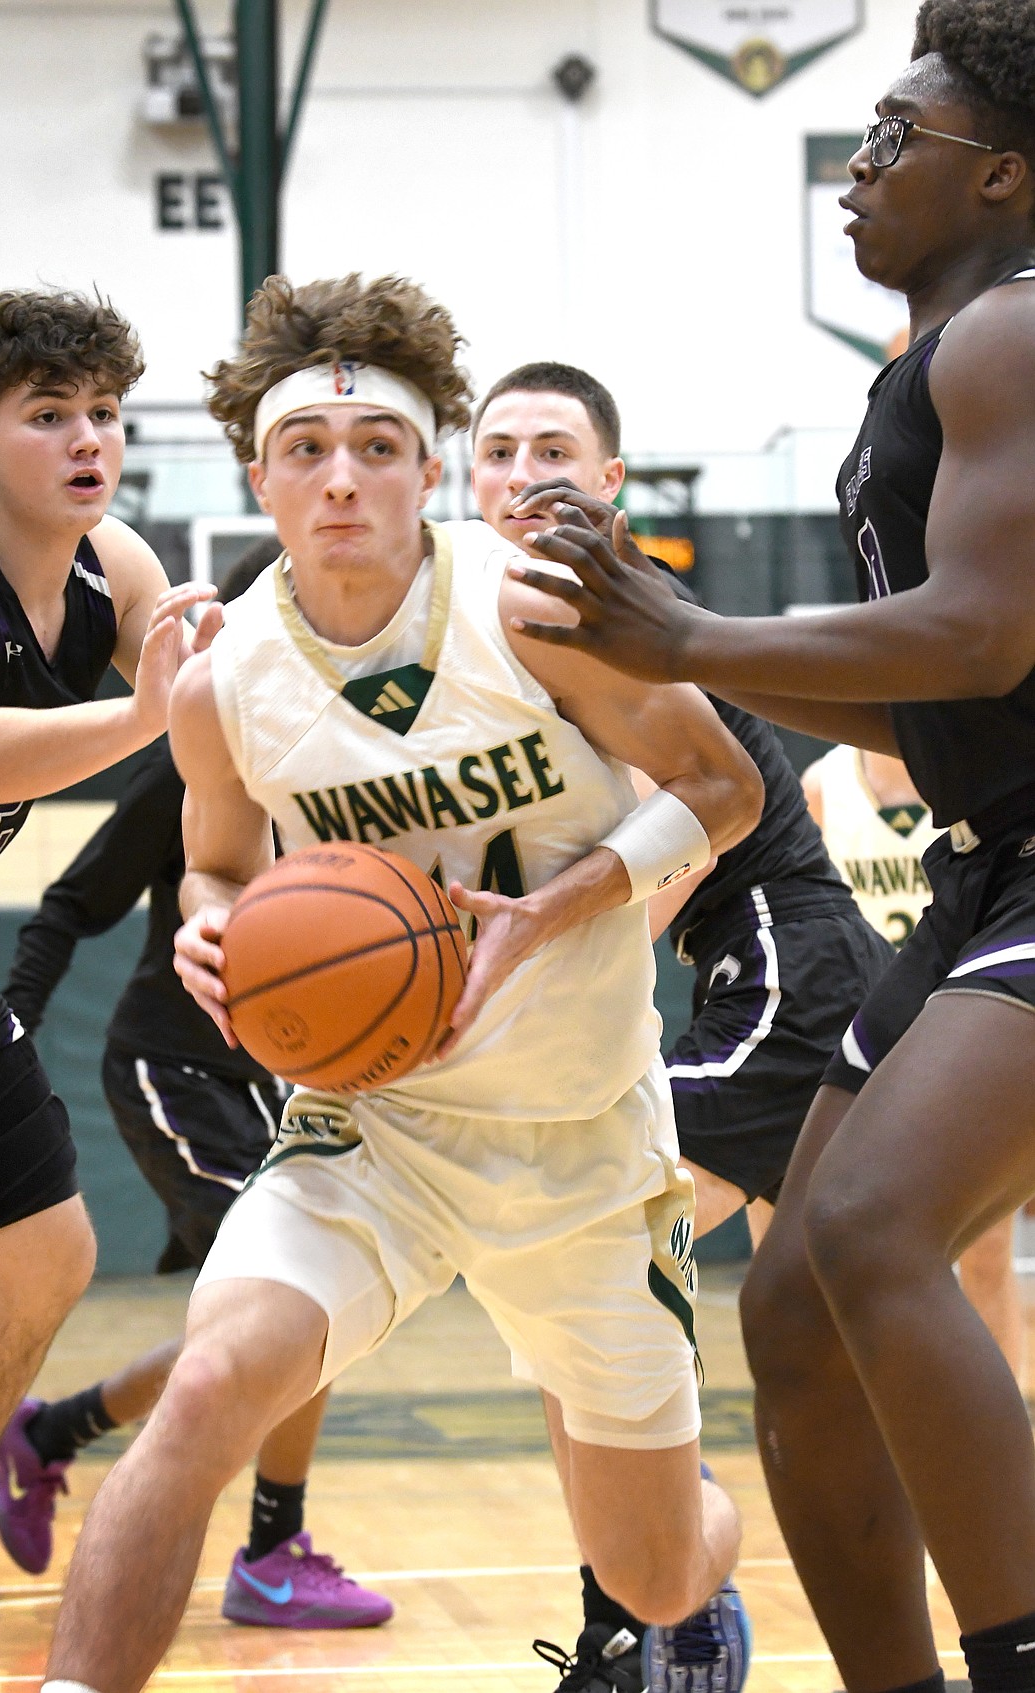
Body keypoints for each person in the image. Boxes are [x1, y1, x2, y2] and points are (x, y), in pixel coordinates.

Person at [37, 270, 765, 1693]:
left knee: (651, 1565)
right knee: (203, 1392)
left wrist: (554, 907)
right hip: (371, 1133)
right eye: (306, 448)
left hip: (582, 1147)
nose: (343, 478)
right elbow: (217, 863)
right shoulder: (223, 677)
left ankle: (698, 1583)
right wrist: (211, 927)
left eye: (379, 450)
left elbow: (722, 785)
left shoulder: (536, 609)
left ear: (431, 470)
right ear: (259, 474)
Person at [502, 4, 1035, 1688]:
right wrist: (690, 660)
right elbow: (944, 700)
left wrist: (694, 635)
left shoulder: (1013, 338)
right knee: (795, 1302)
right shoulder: (932, 364)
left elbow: (985, 632)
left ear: (1007, 172)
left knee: (874, 1230)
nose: (859, 167)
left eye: (898, 135)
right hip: (991, 851)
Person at [470, 362, 894, 1693]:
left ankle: (660, 1613)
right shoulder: (489, 638)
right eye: (499, 449)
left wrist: (509, 991)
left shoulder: (614, 620)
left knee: (579, 1235)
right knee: (602, 1288)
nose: (526, 467)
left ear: (609, 483)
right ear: (465, 485)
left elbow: (686, 852)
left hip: (788, 969)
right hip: (767, 981)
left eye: (558, 447)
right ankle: (654, 1599)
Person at [0, 539, 391, 1632]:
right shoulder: (194, 751)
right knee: (292, 1300)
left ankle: (56, 1429)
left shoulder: (367, 752)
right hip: (172, 1061)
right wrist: (17, 1021)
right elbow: (70, 901)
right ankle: (269, 1548)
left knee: (305, 1312)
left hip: (287, 1071)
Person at [0, 287, 213, 1689]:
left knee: (49, 1257)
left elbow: (210, 685)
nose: (87, 437)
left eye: (103, 410)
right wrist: (141, 714)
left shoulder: (115, 560)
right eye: (50, 415)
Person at [802, 745, 1025, 1381]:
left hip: (967, 1017)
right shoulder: (824, 783)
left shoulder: (968, 769)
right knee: (850, 1240)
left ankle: (1009, 1434)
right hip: (872, 1019)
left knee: (986, 1250)